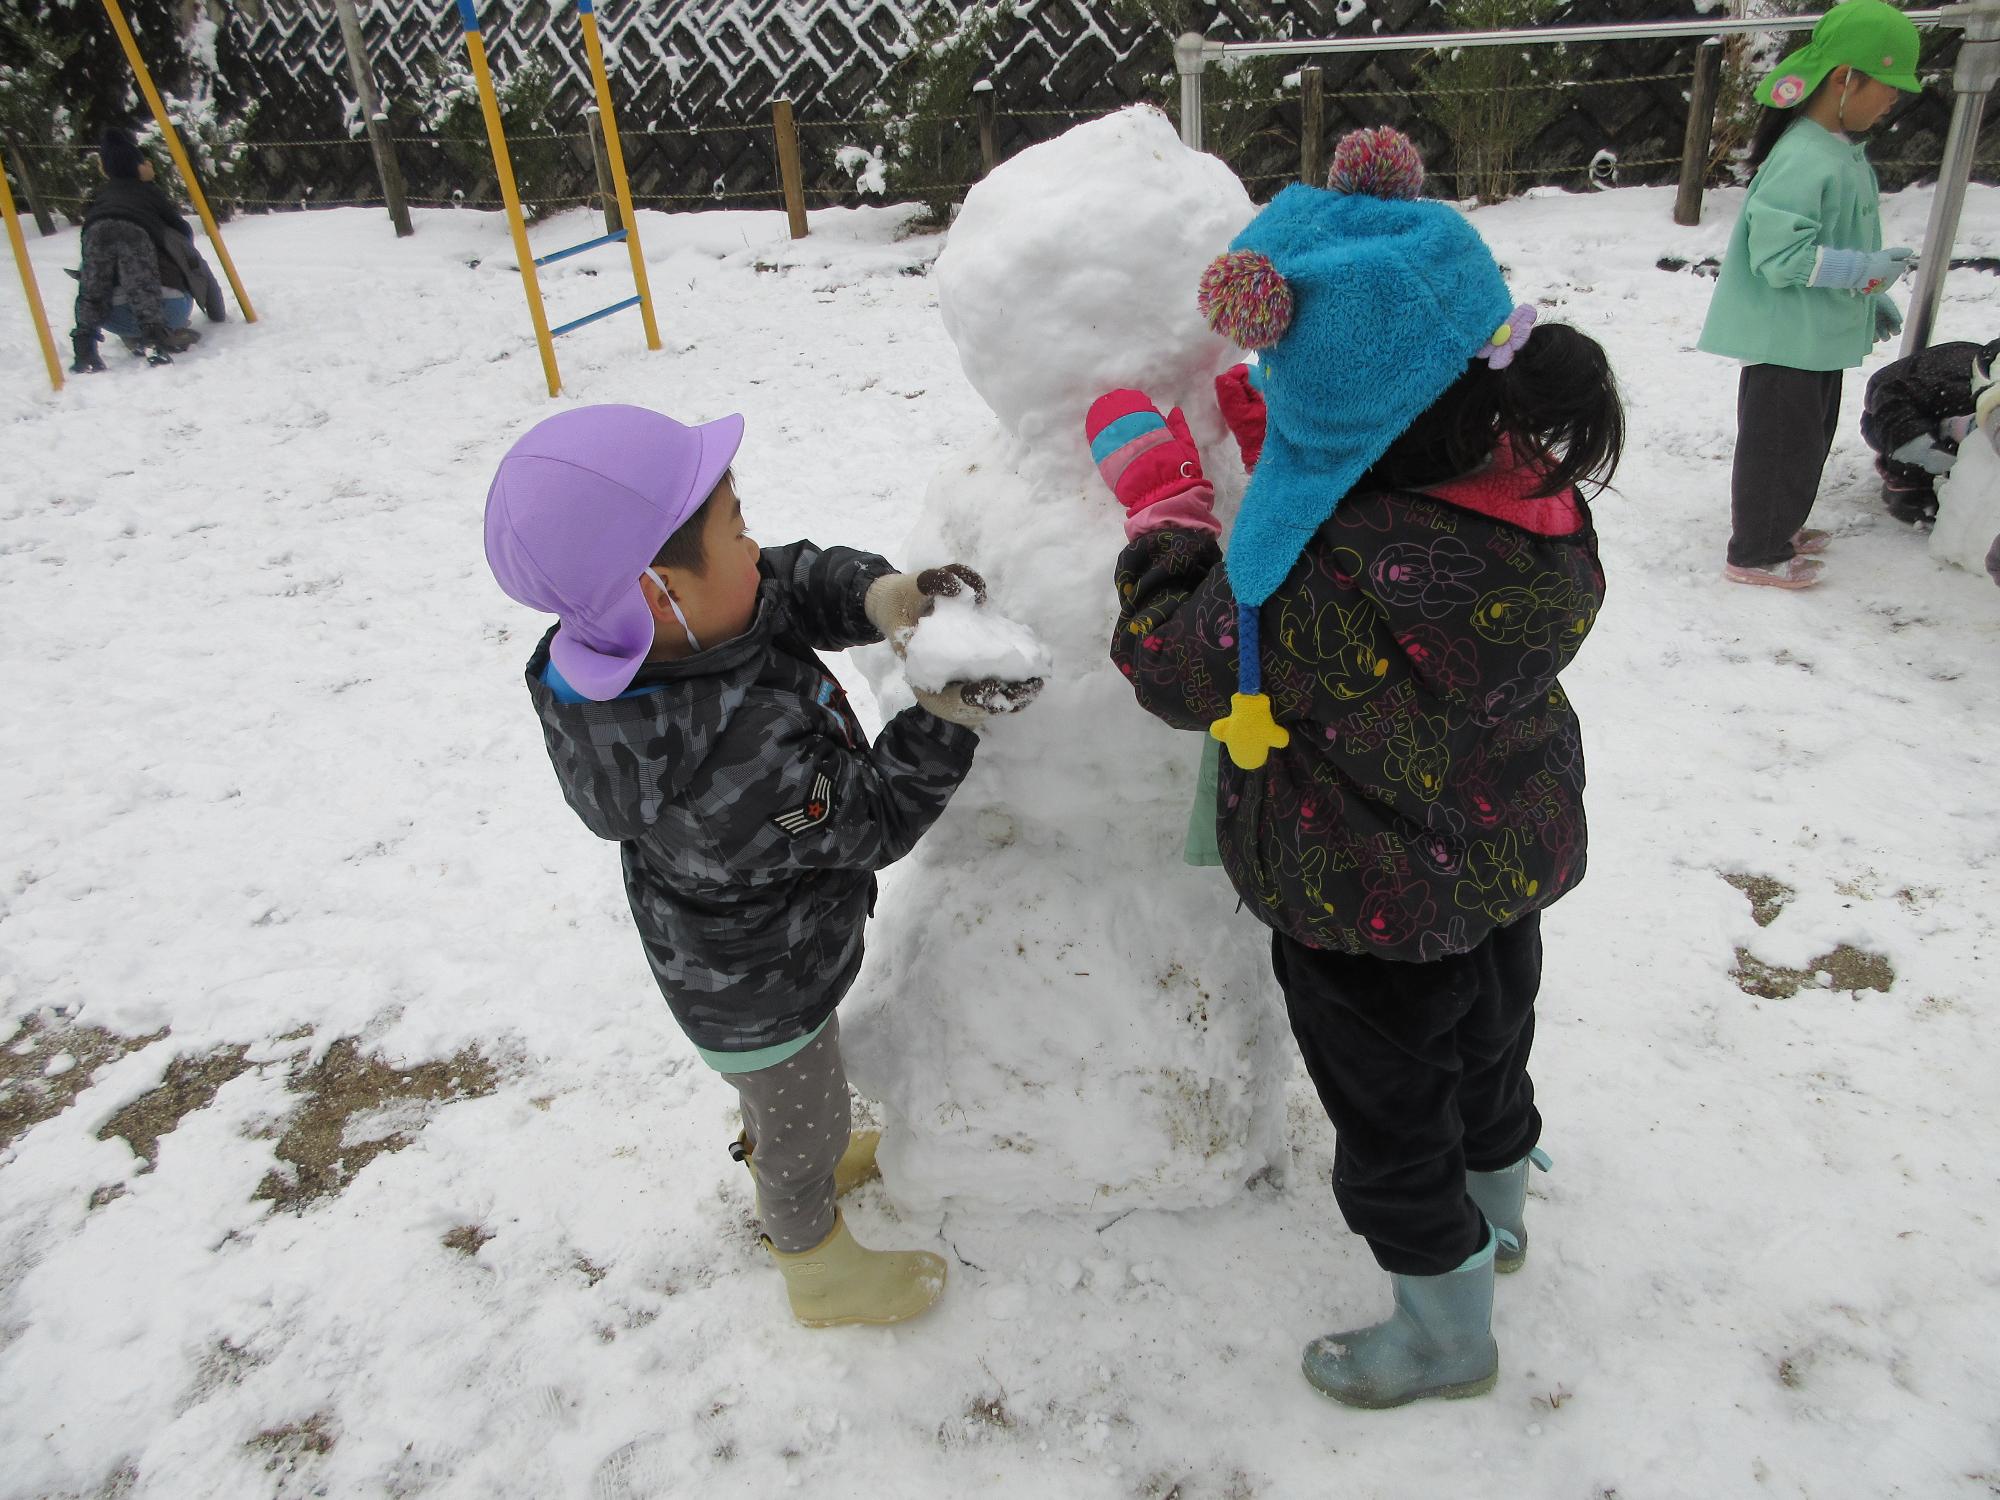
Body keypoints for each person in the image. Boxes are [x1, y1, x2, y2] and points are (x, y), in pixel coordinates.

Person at [1084, 127, 1619, 1408]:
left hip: (1365, 913)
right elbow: (1396, 495)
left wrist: (1168, 519)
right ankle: (1500, 1213)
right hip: (1503, 866)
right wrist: (1318, 428)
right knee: (1491, 1054)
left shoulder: (1313, 578)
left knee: (1389, 1130)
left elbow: (1176, 662)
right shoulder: (1538, 497)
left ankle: (1444, 1336)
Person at [484, 404, 1039, 1327]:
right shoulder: (723, 764)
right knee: (802, 1128)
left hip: (748, 953)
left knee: (791, 1109)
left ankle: (791, 1144)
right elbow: (871, 816)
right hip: (758, 995)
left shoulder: (656, 636)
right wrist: (946, 717)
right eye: (735, 530)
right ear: (659, 590)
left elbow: (778, 582)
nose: (755, 546)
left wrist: (880, 597)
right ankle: (814, 1260)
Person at [1696, 0, 1924, 588]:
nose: (1895, 99)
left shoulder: (1837, 148)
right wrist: (1863, 273)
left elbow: (1839, 235)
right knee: (1779, 447)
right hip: (1785, 336)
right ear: (1847, 78)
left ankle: (1781, 525)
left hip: (1814, 333)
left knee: (1808, 439)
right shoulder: (1803, 155)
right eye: (1888, 85)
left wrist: (1868, 296)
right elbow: (1779, 257)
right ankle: (1755, 551)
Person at [69, 127, 221, 372]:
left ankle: (85, 346)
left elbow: (92, 284)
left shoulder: (100, 203)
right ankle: (155, 338)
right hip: (164, 303)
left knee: (93, 281)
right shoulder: (150, 195)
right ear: (138, 168)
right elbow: (185, 246)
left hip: (113, 314)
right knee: (142, 277)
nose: (150, 164)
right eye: (145, 162)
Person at [1860, 336, 2000, 523]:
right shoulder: (1958, 388)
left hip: (1954, 402)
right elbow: (1889, 394)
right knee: (1918, 440)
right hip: (1885, 411)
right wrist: (1915, 443)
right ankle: (1906, 478)